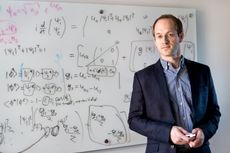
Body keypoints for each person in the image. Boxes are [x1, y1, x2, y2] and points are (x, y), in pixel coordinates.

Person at [128, 14, 221, 153]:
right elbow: (134, 120)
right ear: (155, 40)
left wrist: (204, 132)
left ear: (181, 36)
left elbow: (214, 112)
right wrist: (168, 132)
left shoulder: (202, 71)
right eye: (159, 36)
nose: (164, 41)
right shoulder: (143, 77)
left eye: (170, 34)